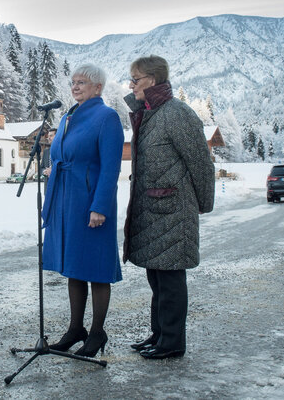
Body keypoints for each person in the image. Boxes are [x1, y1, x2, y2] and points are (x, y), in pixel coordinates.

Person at [123, 55, 215, 359]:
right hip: (153, 209)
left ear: (152, 79)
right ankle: (159, 334)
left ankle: (172, 342)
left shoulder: (177, 114)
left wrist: (203, 204)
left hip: (174, 209)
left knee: (171, 279)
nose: (132, 85)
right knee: (157, 278)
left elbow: (201, 163)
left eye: (135, 79)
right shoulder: (149, 113)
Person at [40, 64, 124, 357]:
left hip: (90, 203)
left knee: (97, 269)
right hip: (65, 201)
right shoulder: (67, 117)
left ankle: (98, 332)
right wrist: (55, 169)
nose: (75, 87)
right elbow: (66, 155)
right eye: (73, 82)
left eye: (82, 83)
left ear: (98, 87)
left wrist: (100, 206)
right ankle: (76, 329)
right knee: (73, 266)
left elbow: (111, 166)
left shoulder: (107, 117)